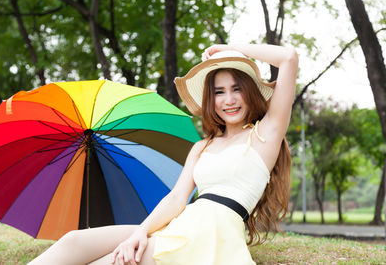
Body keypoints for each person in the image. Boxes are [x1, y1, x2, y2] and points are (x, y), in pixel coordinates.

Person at [29, 43, 298, 265]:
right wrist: (141, 232)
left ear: (250, 92)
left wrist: (230, 48)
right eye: (219, 92)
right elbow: (177, 198)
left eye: (236, 89)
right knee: (74, 242)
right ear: (211, 99)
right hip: (182, 223)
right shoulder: (202, 146)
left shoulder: (265, 135)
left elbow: (288, 57)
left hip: (210, 235)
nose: (228, 99)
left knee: (113, 261)